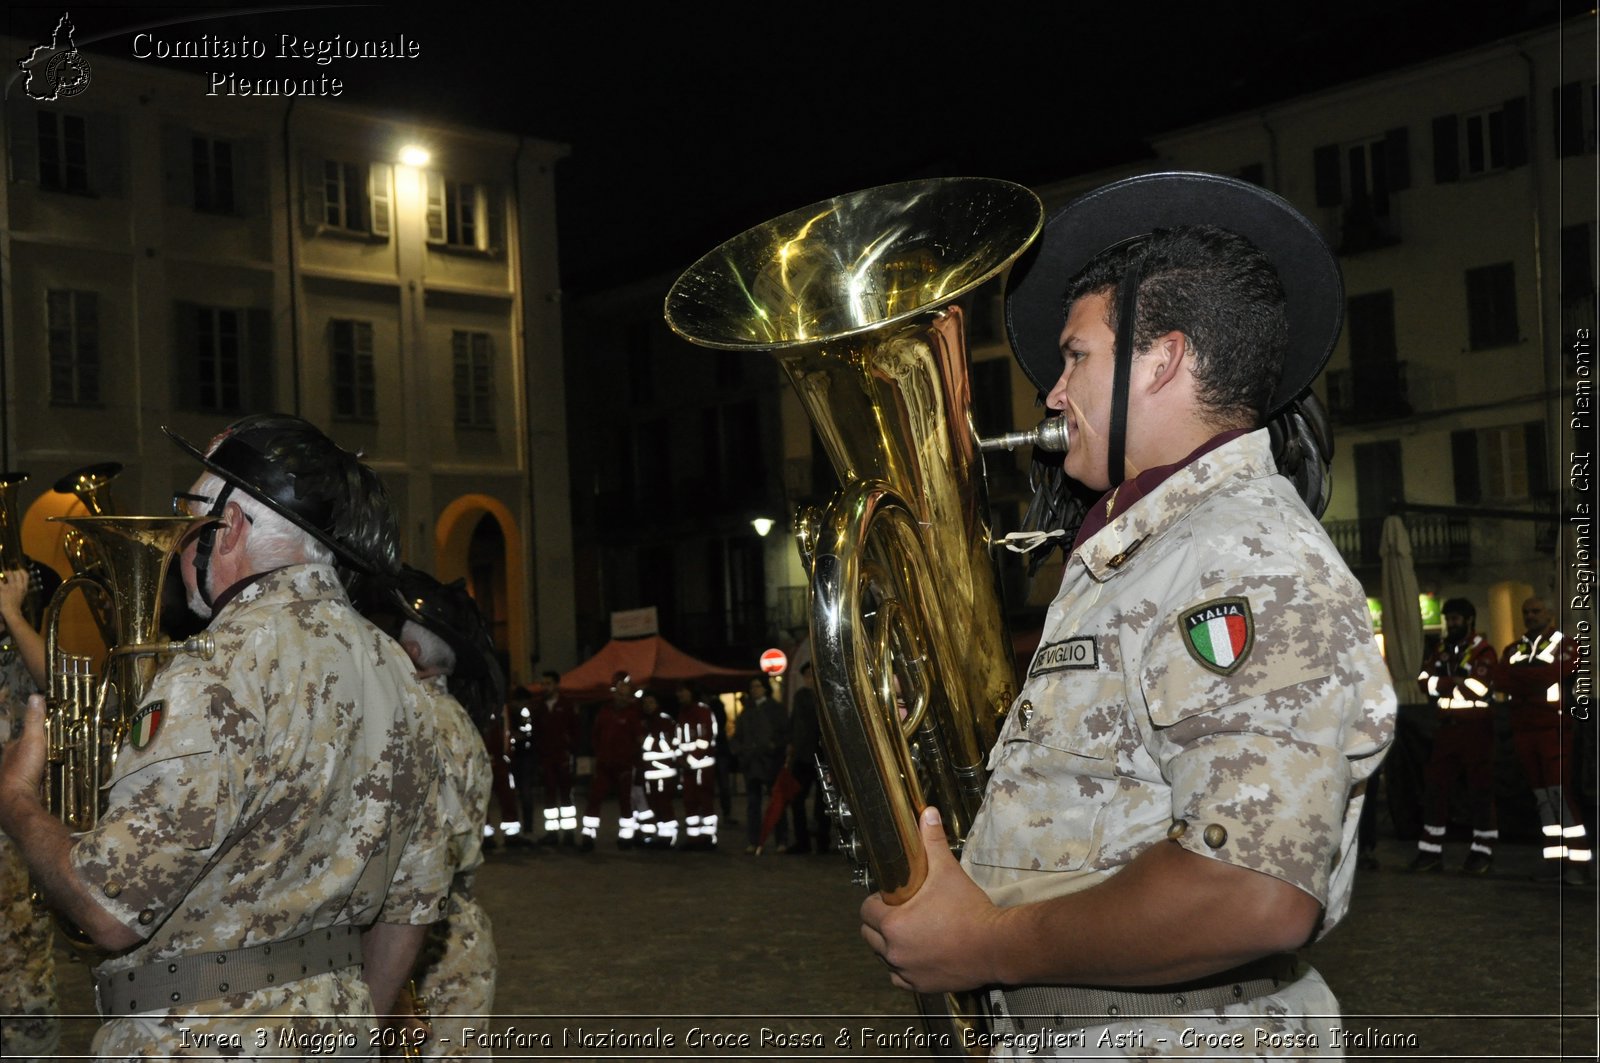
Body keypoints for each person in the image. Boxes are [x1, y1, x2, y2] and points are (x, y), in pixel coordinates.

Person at [858, 173, 1395, 1056]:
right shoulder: (1151, 550)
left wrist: (982, 942)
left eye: (1076, 358)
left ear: (1164, 359)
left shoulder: (1239, 558)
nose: (1053, 394)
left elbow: (1251, 892)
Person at [0, 414, 452, 1056]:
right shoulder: (398, 675)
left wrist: (17, 800)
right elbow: (413, 902)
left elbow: (109, 909)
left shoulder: (218, 666)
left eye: (190, 515)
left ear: (232, 527)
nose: (182, 538)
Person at [385, 567, 502, 1057]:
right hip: (446, 932)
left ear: (411, 653)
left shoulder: (422, 724)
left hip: (428, 946)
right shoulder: (452, 718)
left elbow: (427, 853)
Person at [0, 559, 58, 1061]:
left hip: (13, 863)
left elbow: (58, 680)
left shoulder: (17, 654)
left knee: (24, 1000)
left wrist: (15, 618)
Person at [1495, 596, 1587, 884]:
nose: (1530, 616)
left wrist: (1523, 677)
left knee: (1560, 794)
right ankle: (1557, 862)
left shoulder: (1566, 644)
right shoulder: (1515, 647)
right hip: (1524, 730)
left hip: (1553, 728)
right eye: (1526, 612)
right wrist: (1533, 678)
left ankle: (1579, 863)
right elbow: (1501, 679)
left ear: (1549, 614)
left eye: (1536, 611)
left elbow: (1558, 672)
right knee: (1542, 799)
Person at [1410, 597, 1500, 874]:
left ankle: (1482, 851)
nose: (1450, 624)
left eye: (1455, 619)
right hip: (1446, 729)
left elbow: (1479, 688)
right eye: (1448, 619)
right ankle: (1430, 851)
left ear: (1469, 620)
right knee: (1436, 789)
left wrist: (1443, 684)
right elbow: (1423, 683)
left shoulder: (1484, 650)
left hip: (1476, 729)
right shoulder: (1439, 649)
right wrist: (1455, 682)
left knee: (1479, 790)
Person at [580, 671, 644, 851]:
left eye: (625, 694)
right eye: (619, 693)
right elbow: (595, 735)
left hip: (624, 766)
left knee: (625, 802)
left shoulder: (632, 714)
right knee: (595, 799)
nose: (622, 697)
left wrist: (632, 757)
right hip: (604, 765)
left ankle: (626, 837)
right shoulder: (604, 712)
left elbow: (639, 739)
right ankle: (588, 835)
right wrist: (598, 754)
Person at [733, 675, 788, 854]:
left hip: (771, 762)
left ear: (765, 688)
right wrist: (741, 751)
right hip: (752, 763)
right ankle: (754, 841)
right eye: (752, 686)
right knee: (753, 804)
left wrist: (774, 747)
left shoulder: (775, 709)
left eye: (757, 686)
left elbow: (784, 733)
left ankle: (782, 840)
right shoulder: (746, 711)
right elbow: (737, 736)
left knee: (776, 803)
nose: (754, 690)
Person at [533, 669, 580, 846]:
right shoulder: (539, 707)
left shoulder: (567, 705)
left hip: (563, 758)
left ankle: (568, 834)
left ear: (556, 685)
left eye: (548, 683)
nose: (545, 687)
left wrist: (571, 751)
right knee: (549, 795)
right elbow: (536, 734)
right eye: (543, 684)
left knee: (566, 796)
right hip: (546, 758)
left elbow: (576, 731)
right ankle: (552, 833)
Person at [783, 661, 823, 854]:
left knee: (823, 803)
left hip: (822, 757)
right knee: (797, 800)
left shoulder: (824, 696)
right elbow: (794, 724)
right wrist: (792, 746)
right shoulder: (801, 697)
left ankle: (823, 841)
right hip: (802, 757)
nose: (809, 679)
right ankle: (803, 841)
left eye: (811, 675)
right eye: (806, 675)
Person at [675, 682, 720, 849]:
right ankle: (694, 838)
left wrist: (689, 760)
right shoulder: (683, 713)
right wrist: (681, 759)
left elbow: (705, 738)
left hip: (702, 766)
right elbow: (679, 740)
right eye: (678, 692)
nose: (680, 695)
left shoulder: (702, 711)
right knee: (690, 801)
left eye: (683, 690)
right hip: (689, 767)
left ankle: (708, 838)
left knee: (704, 801)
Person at [636, 691, 681, 849]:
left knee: (664, 804)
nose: (647, 706)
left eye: (651, 702)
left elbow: (669, 744)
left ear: (657, 704)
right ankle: (661, 836)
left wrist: (646, 742)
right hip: (649, 772)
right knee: (653, 804)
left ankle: (668, 837)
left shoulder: (664, 721)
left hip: (664, 772)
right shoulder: (643, 721)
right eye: (645, 703)